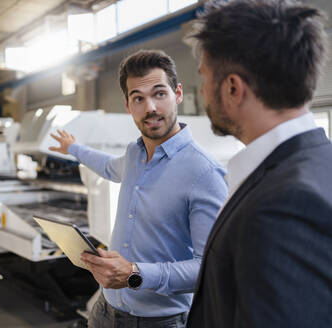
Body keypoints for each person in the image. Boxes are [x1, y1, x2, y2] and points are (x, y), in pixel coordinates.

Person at [49, 49, 227, 328]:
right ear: (128, 105)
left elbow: (210, 268)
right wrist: (73, 148)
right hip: (106, 311)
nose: (150, 108)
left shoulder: (204, 172)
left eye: (159, 94)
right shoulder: (134, 155)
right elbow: (108, 166)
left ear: (177, 93)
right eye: (139, 99)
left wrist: (134, 273)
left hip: (160, 321)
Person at [186, 0, 332, 327]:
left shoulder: (283, 207)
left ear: (233, 88)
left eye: (205, 79)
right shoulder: (319, 164)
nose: (205, 92)